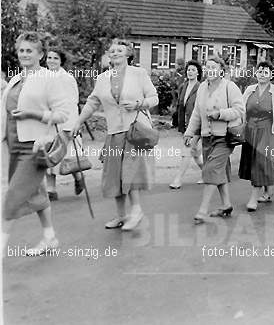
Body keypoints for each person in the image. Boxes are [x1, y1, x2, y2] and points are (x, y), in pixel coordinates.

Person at [73, 39, 158, 231]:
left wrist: (138, 104)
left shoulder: (139, 74)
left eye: (120, 50)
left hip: (134, 131)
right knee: (114, 175)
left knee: (131, 172)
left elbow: (154, 98)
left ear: (128, 53)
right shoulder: (103, 78)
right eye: (112, 51)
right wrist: (78, 121)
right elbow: (92, 102)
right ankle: (121, 215)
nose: (115, 53)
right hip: (114, 132)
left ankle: (136, 211)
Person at [1, 32, 73, 256]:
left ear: (40, 54)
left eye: (29, 50)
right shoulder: (15, 79)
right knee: (36, 193)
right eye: (21, 50)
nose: (24, 54)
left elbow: (63, 114)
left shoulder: (49, 79)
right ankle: (50, 237)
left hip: (35, 147)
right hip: (13, 144)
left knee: (12, 197)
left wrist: (34, 113)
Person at [184, 57, 244, 223]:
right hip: (207, 137)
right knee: (219, 172)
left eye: (213, 67)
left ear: (221, 70)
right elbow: (197, 113)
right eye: (207, 67)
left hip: (224, 137)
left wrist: (220, 114)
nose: (209, 70)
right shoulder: (202, 87)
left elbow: (239, 110)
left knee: (210, 170)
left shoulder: (229, 87)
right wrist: (190, 132)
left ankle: (202, 210)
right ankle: (226, 205)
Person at [239, 61, 274, 211]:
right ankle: (268, 191)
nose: (262, 74)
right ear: (256, 73)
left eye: (266, 72)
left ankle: (253, 199)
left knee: (260, 162)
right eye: (260, 71)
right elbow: (241, 110)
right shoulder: (249, 90)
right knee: (254, 162)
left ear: (271, 75)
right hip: (251, 131)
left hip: (269, 132)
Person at [44, 46, 84, 200]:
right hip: (47, 123)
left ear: (61, 61)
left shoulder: (67, 79)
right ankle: (51, 190)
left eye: (55, 58)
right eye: (49, 58)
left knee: (67, 155)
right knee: (49, 155)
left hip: (64, 123)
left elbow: (73, 103)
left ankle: (79, 178)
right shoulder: (42, 76)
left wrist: (71, 126)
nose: (51, 61)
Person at [169, 60, 204, 190]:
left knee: (187, 150)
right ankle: (207, 173)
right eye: (189, 69)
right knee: (195, 153)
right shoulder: (183, 86)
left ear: (198, 73)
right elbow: (180, 105)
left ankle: (178, 179)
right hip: (185, 124)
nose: (190, 72)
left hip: (196, 125)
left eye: (193, 70)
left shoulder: (201, 87)